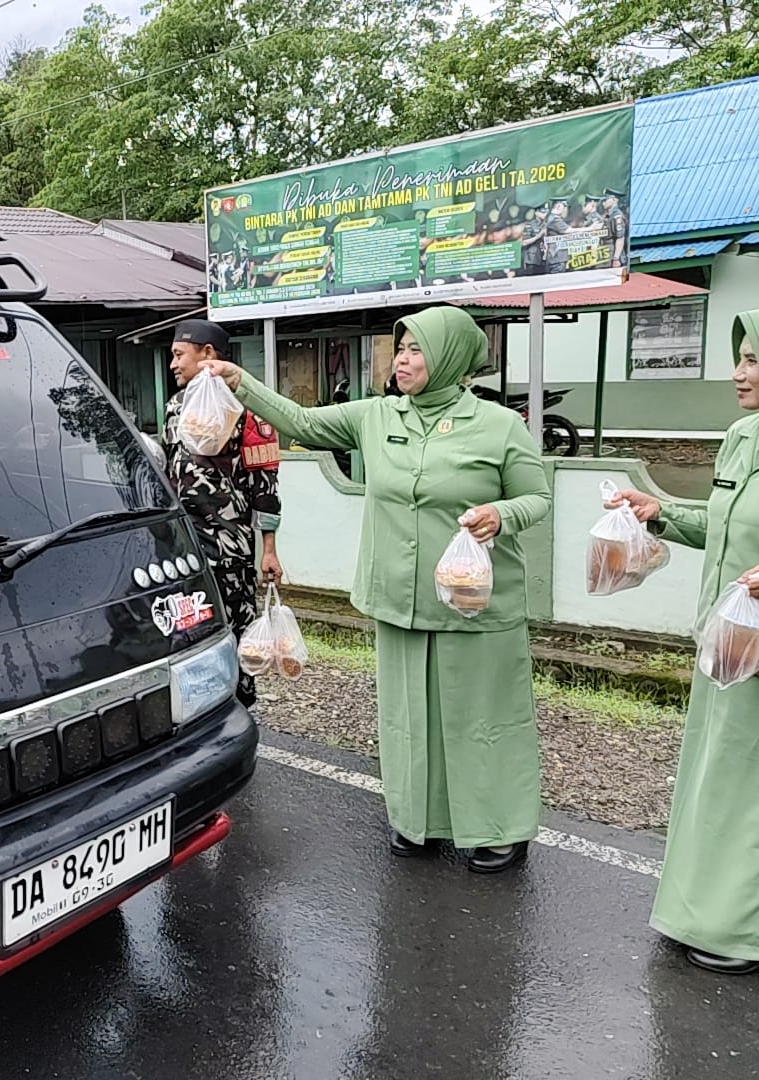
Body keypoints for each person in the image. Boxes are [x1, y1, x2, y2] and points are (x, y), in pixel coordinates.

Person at [199, 307, 552, 872]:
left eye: (416, 350)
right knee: (408, 719)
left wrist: (501, 514)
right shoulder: (377, 415)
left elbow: (538, 498)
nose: (401, 360)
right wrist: (243, 382)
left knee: (481, 717)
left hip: (472, 603)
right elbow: (302, 422)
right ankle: (418, 820)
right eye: (400, 349)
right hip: (399, 597)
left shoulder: (499, 425)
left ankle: (496, 827)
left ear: (451, 359)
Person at [606, 311, 759, 973]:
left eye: (754, 360)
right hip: (730, 644)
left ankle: (740, 929)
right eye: (740, 357)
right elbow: (723, 526)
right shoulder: (742, 437)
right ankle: (705, 911)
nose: (739, 373)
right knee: (717, 780)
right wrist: (660, 513)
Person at [163, 319, 282, 707]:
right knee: (190, 628)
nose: (173, 364)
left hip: (228, 546)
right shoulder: (175, 406)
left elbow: (265, 484)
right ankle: (198, 707)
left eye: (179, 355)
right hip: (185, 546)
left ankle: (239, 706)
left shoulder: (246, 408)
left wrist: (269, 549)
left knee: (236, 626)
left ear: (207, 354)